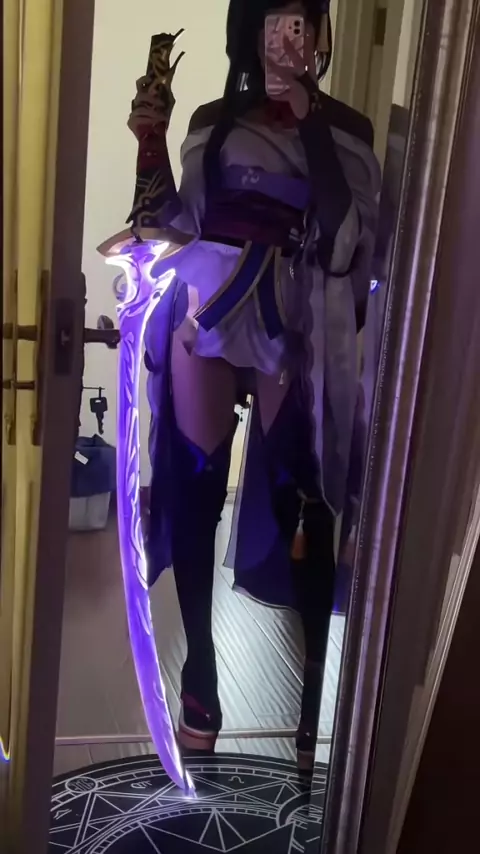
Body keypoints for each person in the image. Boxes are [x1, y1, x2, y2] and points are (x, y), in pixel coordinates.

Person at [130, 0, 380, 768]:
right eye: (274, 19)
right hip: (210, 304)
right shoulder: (213, 119)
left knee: (303, 494)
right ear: (251, 29)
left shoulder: (348, 129)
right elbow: (172, 224)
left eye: (302, 19)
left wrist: (309, 121)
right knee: (196, 488)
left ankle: (311, 699)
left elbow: (352, 240)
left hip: (297, 315)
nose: (288, 34)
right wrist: (150, 144)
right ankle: (201, 676)